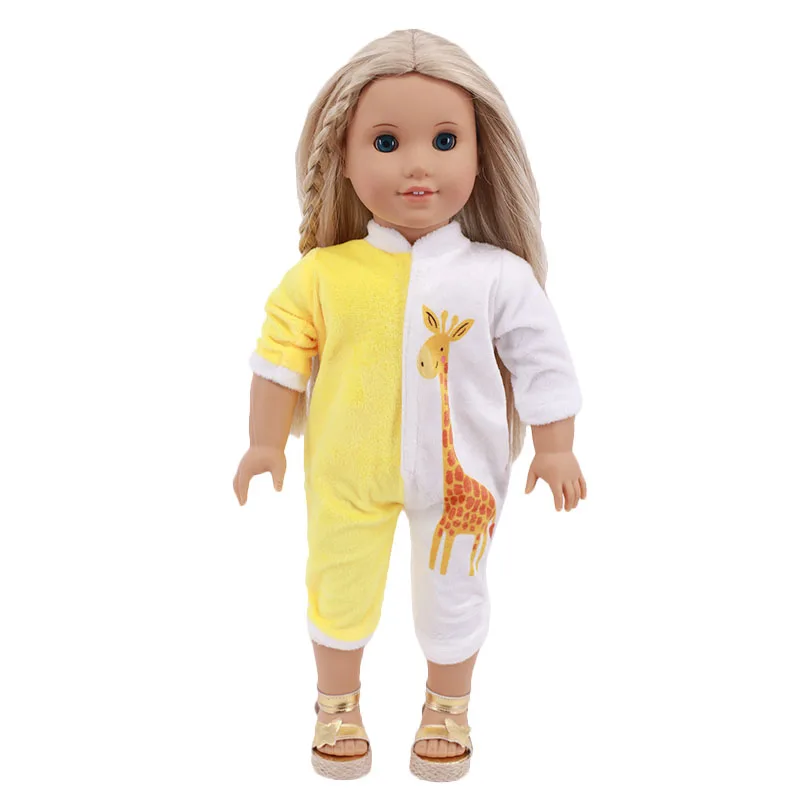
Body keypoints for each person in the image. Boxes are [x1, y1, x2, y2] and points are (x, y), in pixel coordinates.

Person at [232, 28, 587, 782]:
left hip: (465, 477)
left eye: (445, 140)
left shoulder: (498, 276)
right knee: (338, 583)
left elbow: (543, 360)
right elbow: (281, 353)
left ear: (481, 158)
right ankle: (337, 704)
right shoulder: (323, 275)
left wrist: (556, 445)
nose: (418, 164)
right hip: (345, 471)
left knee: (455, 592)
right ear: (343, 157)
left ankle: (447, 708)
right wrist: (265, 441)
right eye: (387, 142)